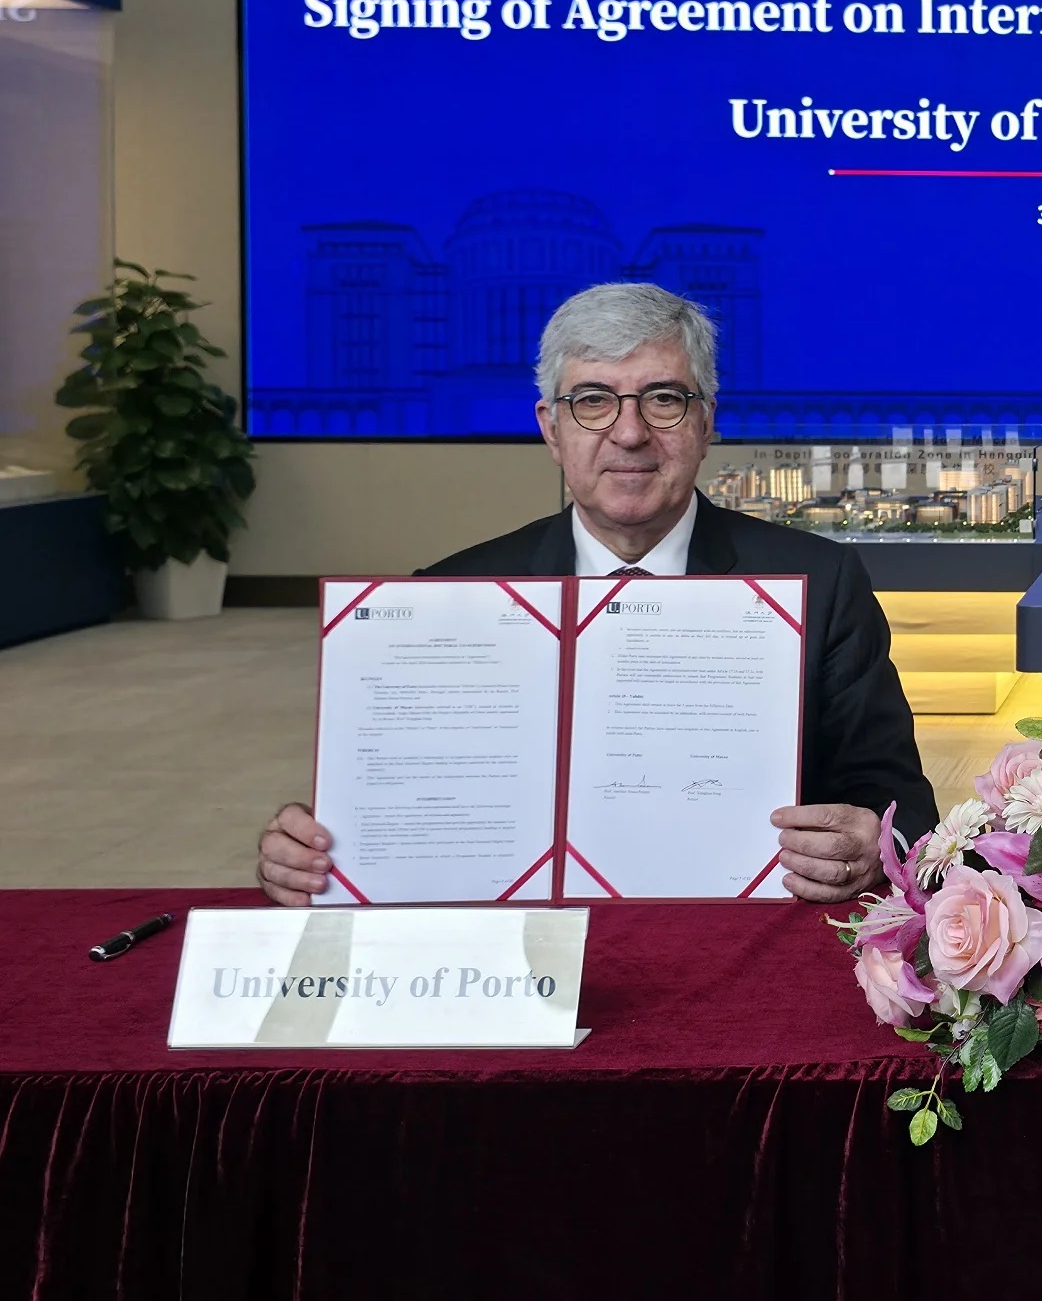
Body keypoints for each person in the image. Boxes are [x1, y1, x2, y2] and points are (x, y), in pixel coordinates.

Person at [258, 282, 938, 906]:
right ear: (550, 429)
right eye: (592, 401)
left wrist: (872, 847)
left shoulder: (819, 586)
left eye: (664, 399)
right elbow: (393, 810)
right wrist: (315, 855)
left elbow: (902, 806)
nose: (630, 431)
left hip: (742, 946)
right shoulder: (444, 598)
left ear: (706, 424)